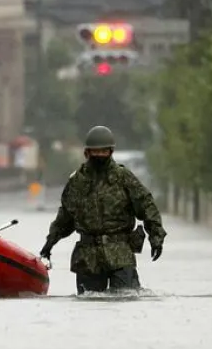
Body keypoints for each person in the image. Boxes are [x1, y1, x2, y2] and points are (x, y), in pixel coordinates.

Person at [39, 125, 166, 294]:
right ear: (87, 153)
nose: (100, 155)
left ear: (111, 152)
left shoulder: (123, 178)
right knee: (90, 303)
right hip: (88, 257)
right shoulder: (77, 182)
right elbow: (65, 218)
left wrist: (156, 236)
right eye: (96, 152)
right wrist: (49, 244)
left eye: (104, 152)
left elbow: (146, 205)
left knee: (125, 298)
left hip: (119, 253)